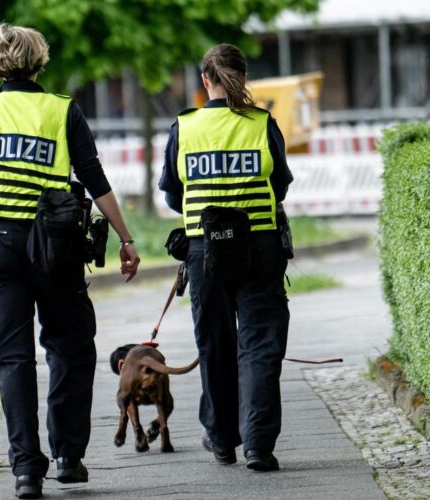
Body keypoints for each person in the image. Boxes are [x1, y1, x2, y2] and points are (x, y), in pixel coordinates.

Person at [0, 23, 141, 499]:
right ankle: (69, 456)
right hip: (55, 245)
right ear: (39, 60)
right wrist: (125, 238)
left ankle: (25, 471)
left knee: (11, 358)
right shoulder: (62, 111)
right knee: (71, 346)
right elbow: (94, 178)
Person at [158, 43, 293, 472]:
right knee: (260, 346)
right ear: (243, 77)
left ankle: (221, 439)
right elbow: (281, 184)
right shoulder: (263, 124)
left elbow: (172, 192)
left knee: (214, 344)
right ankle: (258, 445)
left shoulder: (184, 127)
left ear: (204, 81)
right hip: (259, 246)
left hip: (205, 251)